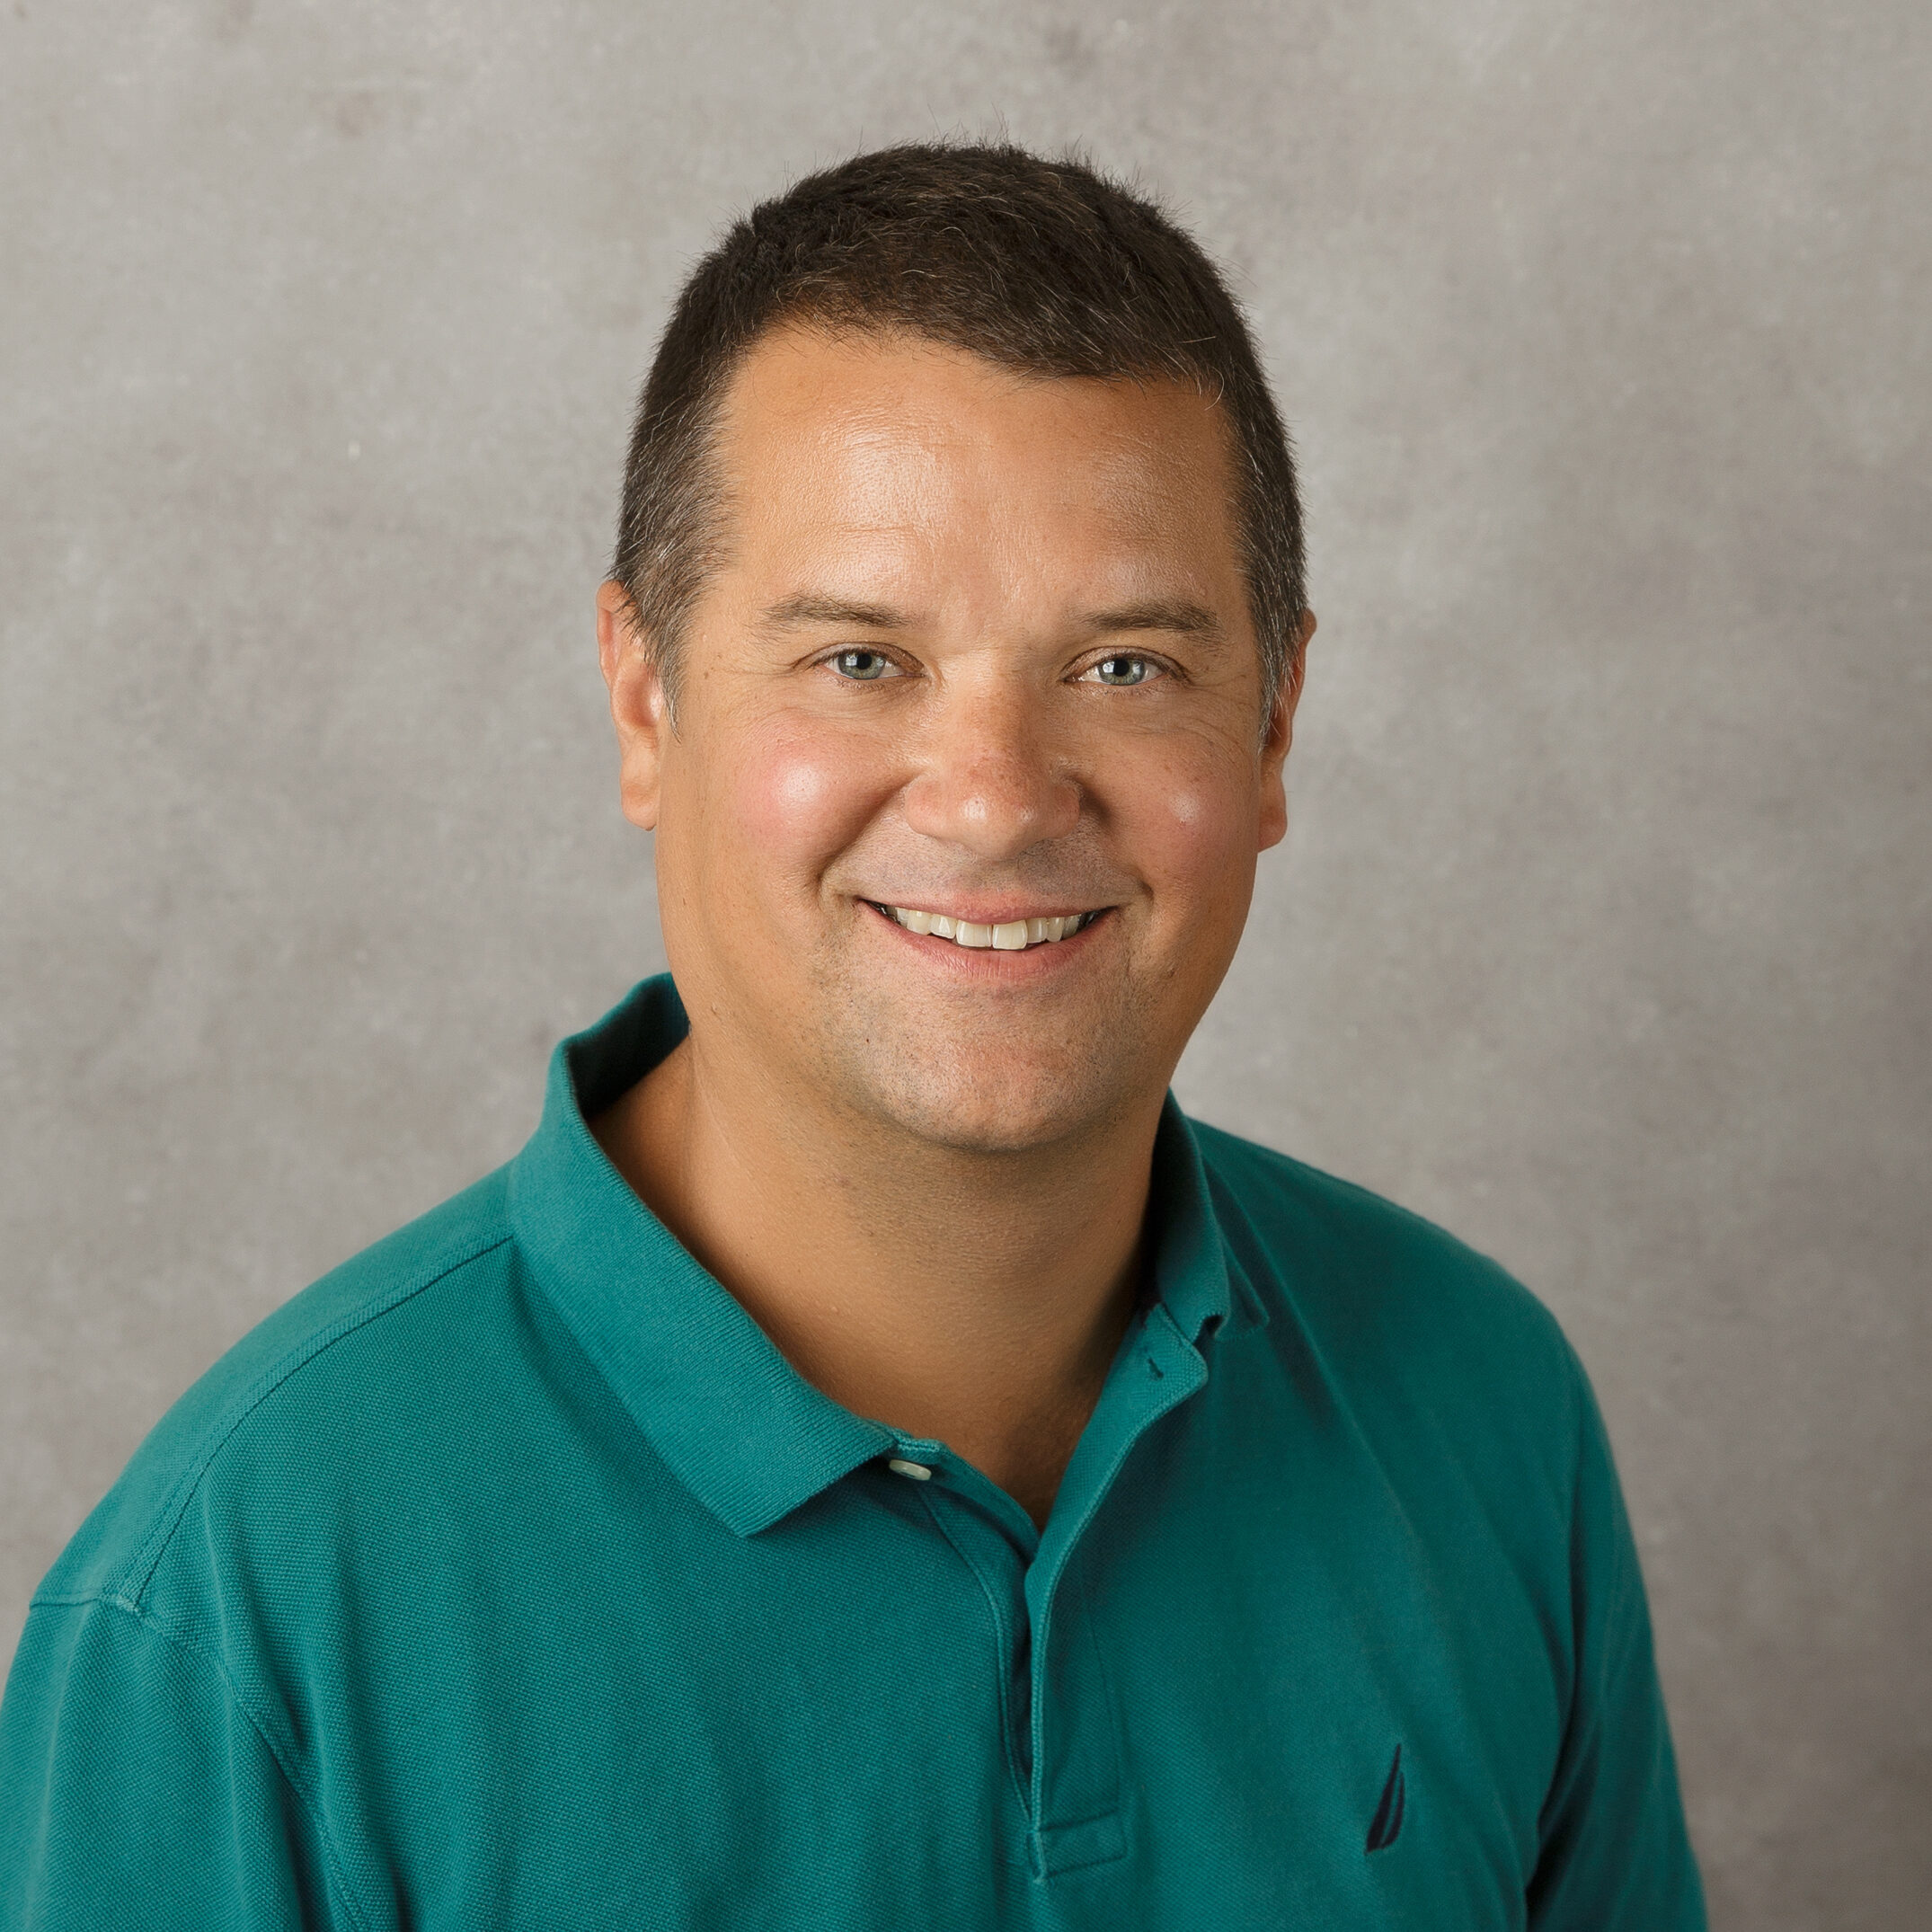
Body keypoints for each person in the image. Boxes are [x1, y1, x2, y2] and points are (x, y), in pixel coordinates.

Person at [0, 143, 1705, 1929]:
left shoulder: (1481, 1412)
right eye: (858, 661)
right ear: (642, 696)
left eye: (1124, 665)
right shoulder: (238, 1613)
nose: (991, 801)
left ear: (1272, 726)